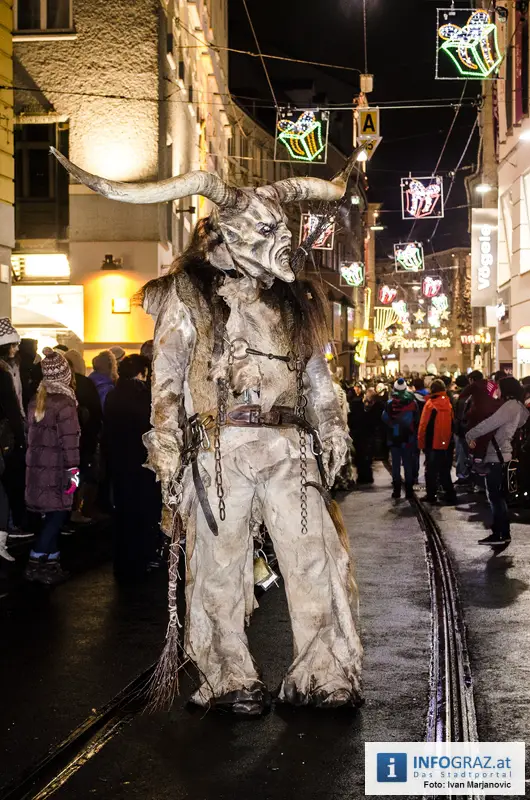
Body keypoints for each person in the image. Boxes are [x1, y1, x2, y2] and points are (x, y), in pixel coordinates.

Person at [54, 145, 363, 717]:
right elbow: (166, 382)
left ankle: (324, 671)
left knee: (313, 559)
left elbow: (315, 374)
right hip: (219, 450)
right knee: (219, 564)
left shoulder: (290, 301)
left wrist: (332, 422)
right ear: (228, 233)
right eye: (264, 229)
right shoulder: (187, 295)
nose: (280, 242)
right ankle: (227, 675)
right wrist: (167, 449)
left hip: (289, 449)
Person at [24, 348, 80, 584]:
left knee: (51, 516)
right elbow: (70, 441)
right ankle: (35, 561)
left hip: (38, 471)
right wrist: (73, 471)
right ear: (65, 376)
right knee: (57, 516)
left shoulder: (37, 400)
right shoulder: (65, 403)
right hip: (58, 471)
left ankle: (51, 563)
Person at [103, 354, 161, 582]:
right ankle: (143, 558)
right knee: (144, 512)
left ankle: (123, 561)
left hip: (119, 463)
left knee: (124, 512)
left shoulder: (113, 395)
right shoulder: (145, 397)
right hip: (142, 462)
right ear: (142, 373)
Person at [466, 377, 529, 546]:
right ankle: (502, 532)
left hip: (497, 456)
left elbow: (490, 423)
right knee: (498, 496)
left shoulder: (510, 406)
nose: (496, 391)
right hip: (504, 454)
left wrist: (470, 434)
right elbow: (522, 421)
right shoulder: (518, 406)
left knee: (495, 496)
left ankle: (500, 533)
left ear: (506, 389)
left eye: (499, 387)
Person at [65, 349, 102, 521]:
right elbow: (96, 413)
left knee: (71, 476)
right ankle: (76, 509)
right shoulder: (84, 384)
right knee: (81, 475)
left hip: (66, 442)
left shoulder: (50, 389)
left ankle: (69, 509)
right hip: (83, 440)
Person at [0, 319, 27, 534]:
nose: (17, 348)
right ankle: (8, 526)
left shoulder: (12, 369)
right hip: (6, 435)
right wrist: (20, 436)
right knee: (8, 480)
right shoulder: (4, 373)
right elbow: (11, 405)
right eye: (14, 344)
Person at [417, 379, 457, 505]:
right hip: (446, 444)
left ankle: (431, 495)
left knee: (431, 471)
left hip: (433, 443)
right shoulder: (448, 403)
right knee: (445, 471)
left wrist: (421, 444)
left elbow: (423, 426)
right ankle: (450, 494)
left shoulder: (430, 404)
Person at [382, 377, 419, 499]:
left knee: (396, 464)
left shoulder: (389, 403)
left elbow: (384, 418)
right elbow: (417, 419)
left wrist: (393, 425)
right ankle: (409, 490)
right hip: (408, 438)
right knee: (408, 463)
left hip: (394, 438)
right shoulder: (413, 403)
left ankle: (396, 491)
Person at [459, 370, 503, 462]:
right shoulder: (490, 384)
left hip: (478, 415)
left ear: (471, 379)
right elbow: (496, 397)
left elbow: (462, 396)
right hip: (494, 414)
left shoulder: (474, 385)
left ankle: (475, 458)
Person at [453, 374, 471, 485]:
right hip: (468, 430)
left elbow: (458, 415)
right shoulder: (472, 395)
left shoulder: (462, 397)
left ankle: (463, 476)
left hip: (462, 430)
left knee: (462, 454)